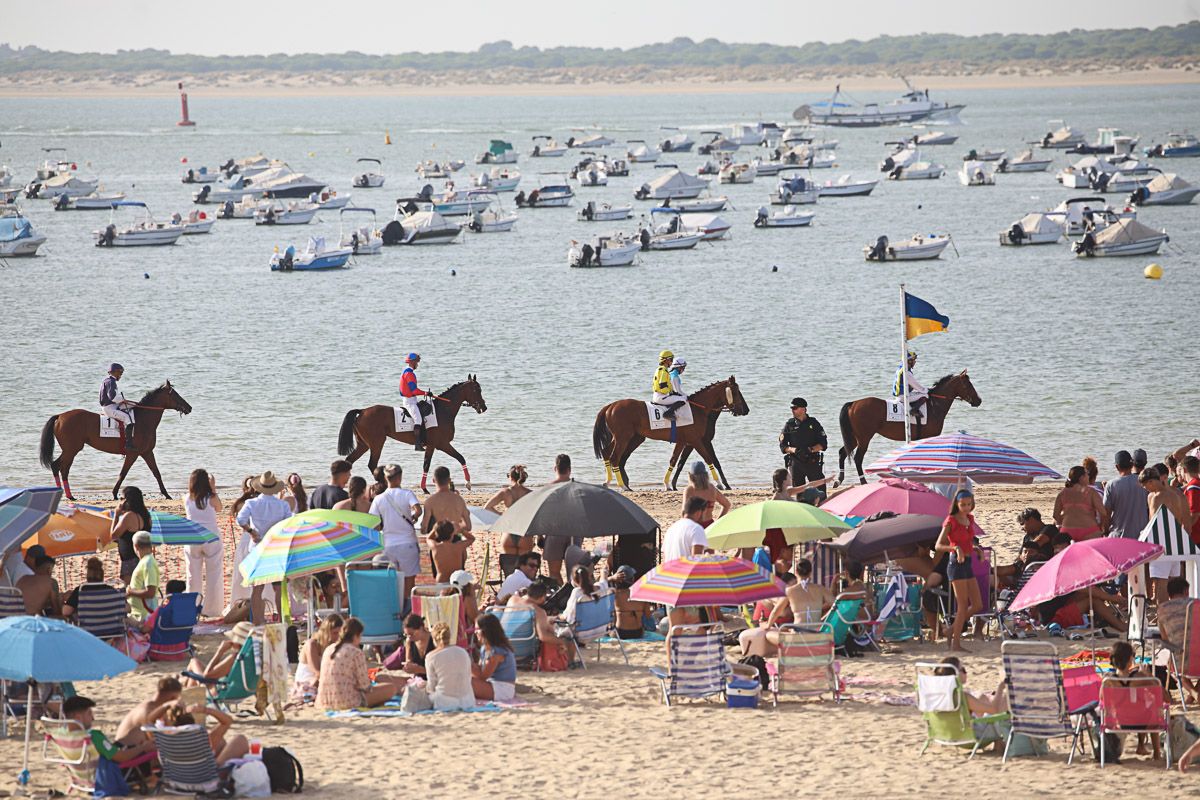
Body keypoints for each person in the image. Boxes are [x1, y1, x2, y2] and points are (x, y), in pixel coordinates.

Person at [235, 471, 292, 623]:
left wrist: (251, 531)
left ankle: (258, 620)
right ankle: (281, 620)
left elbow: (240, 519)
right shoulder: (282, 505)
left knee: (257, 589)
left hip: (257, 548)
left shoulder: (252, 503)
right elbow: (289, 524)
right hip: (276, 549)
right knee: (279, 588)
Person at [316, 617, 406, 710]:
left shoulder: (329, 649)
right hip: (347, 701)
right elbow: (364, 686)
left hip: (324, 701)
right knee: (390, 688)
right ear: (356, 636)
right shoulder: (356, 652)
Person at [368, 463, 423, 604]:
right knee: (409, 581)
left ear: (386, 478)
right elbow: (418, 510)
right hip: (407, 543)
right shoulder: (407, 494)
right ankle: (408, 609)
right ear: (400, 477)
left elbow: (373, 522)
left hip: (388, 544)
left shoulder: (378, 499)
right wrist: (413, 517)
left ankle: (395, 608)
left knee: (391, 581)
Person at [935, 490, 982, 652]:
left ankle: (950, 631)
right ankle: (955, 643)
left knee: (977, 604)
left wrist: (976, 549)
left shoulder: (969, 519)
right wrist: (955, 548)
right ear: (956, 504)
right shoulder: (951, 520)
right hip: (956, 563)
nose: (966, 508)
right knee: (962, 605)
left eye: (969, 504)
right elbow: (938, 545)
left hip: (967, 562)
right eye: (963, 505)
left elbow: (967, 541)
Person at [1142, 467, 1195, 603]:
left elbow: (1153, 525)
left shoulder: (1155, 497)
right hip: (1175, 542)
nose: (1145, 489)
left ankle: (1163, 618)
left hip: (1160, 544)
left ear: (1152, 482)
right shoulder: (1179, 495)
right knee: (1175, 584)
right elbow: (1187, 524)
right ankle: (1177, 613)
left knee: (1161, 584)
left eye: (1145, 485)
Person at [61, 696, 156, 768]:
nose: (93, 718)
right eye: (89, 713)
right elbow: (122, 757)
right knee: (154, 750)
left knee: (137, 732)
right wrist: (143, 748)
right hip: (109, 774)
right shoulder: (93, 737)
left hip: (83, 772)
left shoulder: (62, 735)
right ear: (78, 718)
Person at [153, 703, 250, 766]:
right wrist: (206, 710)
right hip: (205, 780)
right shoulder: (202, 740)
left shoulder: (163, 740)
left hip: (176, 781)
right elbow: (227, 721)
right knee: (240, 739)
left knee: (221, 742)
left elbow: (151, 719)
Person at [184, 469, 224, 617]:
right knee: (214, 574)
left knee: (192, 574)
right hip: (211, 536)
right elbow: (219, 509)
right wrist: (213, 488)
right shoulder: (211, 497)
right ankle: (212, 610)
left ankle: (192, 607)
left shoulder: (187, 497)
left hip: (192, 537)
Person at [779, 397, 828, 503]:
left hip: (812, 461)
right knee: (799, 496)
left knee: (821, 493)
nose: (792, 410)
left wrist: (810, 449)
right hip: (796, 463)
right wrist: (794, 450)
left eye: (795, 408)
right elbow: (783, 446)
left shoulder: (813, 423)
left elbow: (823, 444)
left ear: (803, 409)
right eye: (792, 408)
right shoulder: (790, 424)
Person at [1157, 576, 1196, 705]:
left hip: (1180, 662)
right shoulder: (1196, 604)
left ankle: (1194, 693)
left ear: (1169, 594)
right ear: (1186, 591)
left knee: (1172, 661)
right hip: (1198, 657)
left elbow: (1165, 640)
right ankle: (1193, 694)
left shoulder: (1162, 609)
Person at [542, 454, 581, 584]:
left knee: (554, 572)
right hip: (574, 532)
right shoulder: (577, 487)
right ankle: (572, 595)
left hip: (554, 531)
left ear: (555, 468)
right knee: (574, 572)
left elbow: (543, 513)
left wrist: (539, 535)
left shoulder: (548, 488)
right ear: (570, 469)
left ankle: (561, 597)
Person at [507, 581, 570, 658]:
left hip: (505, 645)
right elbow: (543, 636)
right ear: (542, 597)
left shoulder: (512, 599)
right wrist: (562, 642)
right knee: (551, 633)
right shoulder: (538, 611)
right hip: (523, 648)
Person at [421, 465, 472, 555]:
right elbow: (468, 526)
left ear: (433, 480)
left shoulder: (430, 501)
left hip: (437, 542)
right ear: (449, 480)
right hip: (455, 540)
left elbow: (424, 529)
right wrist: (456, 528)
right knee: (458, 568)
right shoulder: (459, 500)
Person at [425, 621, 475, 711]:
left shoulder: (431, 657)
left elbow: (431, 685)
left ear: (434, 639)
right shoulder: (463, 652)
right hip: (467, 701)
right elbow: (468, 677)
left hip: (444, 702)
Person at [116, 676, 182, 744]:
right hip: (125, 749)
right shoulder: (146, 710)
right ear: (173, 698)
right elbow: (153, 738)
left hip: (132, 747)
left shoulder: (154, 706)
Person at [293, 613, 343, 702]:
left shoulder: (333, 645)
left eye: (340, 634)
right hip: (307, 682)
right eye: (335, 633)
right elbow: (317, 672)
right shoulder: (312, 644)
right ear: (326, 632)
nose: (337, 637)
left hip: (322, 681)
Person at [486, 465, 532, 556]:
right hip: (524, 532)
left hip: (509, 532)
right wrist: (539, 536)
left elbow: (487, 507)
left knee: (509, 566)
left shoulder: (506, 492)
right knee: (524, 567)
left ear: (510, 477)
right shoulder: (530, 493)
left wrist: (502, 515)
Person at [937, 656, 1008, 716]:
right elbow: (994, 710)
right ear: (955, 675)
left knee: (983, 697)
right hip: (975, 730)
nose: (966, 672)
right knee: (1006, 698)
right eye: (963, 670)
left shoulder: (935, 696)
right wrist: (1001, 687)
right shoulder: (963, 697)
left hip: (947, 730)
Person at [1053, 465, 1109, 541]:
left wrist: (1066, 521)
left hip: (1068, 531)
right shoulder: (1091, 492)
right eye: (1087, 474)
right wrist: (1100, 526)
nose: (1088, 477)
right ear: (1081, 478)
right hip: (1089, 530)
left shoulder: (1062, 493)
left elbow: (1055, 515)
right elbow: (1103, 513)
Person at [471, 613, 517, 702]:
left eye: (477, 629)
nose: (475, 632)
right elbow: (480, 669)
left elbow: (482, 676)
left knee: (467, 682)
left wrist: (467, 665)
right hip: (491, 684)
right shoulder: (485, 648)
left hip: (503, 688)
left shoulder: (498, 651)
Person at [111, 486, 153, 583]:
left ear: (127, 500)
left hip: (130, 559)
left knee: (131, 590)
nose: (120, 502)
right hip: (143, 557)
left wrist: (116, 516)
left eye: (121, 498)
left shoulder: (128, 516)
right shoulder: (146, 515)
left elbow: (113, 536)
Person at [1104, 450, 1149, 539]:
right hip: (1142, 536)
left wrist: (1105, 531)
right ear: (1132, 465)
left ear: (1117, 467)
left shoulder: (1111, 485)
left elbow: (1106, 514)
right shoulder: (1144, 482)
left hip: (1119, 536)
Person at [681, 461, 730, 528]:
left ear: (691, 476)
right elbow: (727, 505)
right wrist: (717, 523)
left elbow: (684, 511)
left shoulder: (689, 490)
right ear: (706, 475)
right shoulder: (712, 488)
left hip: (694, 526)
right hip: (709, 525)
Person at [99, 363, 136, 449]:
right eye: (120, 373)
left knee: (134, 405)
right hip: (109, 408)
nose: (120, 375)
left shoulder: (107, 380)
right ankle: (128, 444)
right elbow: (113, 397)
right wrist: (122, 400)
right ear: (115, 372)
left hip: (112, 405)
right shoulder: (111, 382)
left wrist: (126, 402)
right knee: (128, 419)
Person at [607, 565, 650, 640]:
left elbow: (598, 587)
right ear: (632, 579)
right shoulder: (641, 594)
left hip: (619, 632)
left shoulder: (614, 594)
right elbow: (648, 615)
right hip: (638, 633)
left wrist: (611, 578)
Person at [662, 497, 709, 562]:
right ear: (699, 512)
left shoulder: (671, 528)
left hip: (669, 570)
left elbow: (665, 556)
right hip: (686, 571)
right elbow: (696, 559)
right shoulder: (696, 529)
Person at [126, 531, 159, 624]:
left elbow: (150, 592)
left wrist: (130, 592)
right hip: (139, 613)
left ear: (135, 546)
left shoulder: (148, 563)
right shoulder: (146, 561)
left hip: (143, 616)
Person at [399, 352, 430, 450]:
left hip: (411, 399)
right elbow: (414, 390)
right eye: (417, 361)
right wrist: (426, 393)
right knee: (418, 420)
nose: (417, 364)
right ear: (412, 362)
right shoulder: (409, 374)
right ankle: (417, 444)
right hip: (409, 401)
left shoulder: (407, 372)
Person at [893, 350, 928, 425]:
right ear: (909, 361)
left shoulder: (900, 369)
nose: (915, 362)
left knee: (918, 393)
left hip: (899, 395)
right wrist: (926, 390)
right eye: (913, 360)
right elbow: (916, 386)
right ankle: (914, 410)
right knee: (925, 395)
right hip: (903, 397)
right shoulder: (906, 372)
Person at [650, 350, 678, 414]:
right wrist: (670, 393)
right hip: (661, 396)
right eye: (671, 359)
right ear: (667, 360)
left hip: (658, 395)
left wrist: (672, 392)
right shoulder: (664, 370)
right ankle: (668, 414)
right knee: (682, 400)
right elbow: (662, 386)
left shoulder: (659, 369)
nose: (672, 362)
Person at [1184, 456, 1200, 545]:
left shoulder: (1193, 487)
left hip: (1196, 534)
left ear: (1184, 469)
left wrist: (1184, 531)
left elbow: (1194, 514)